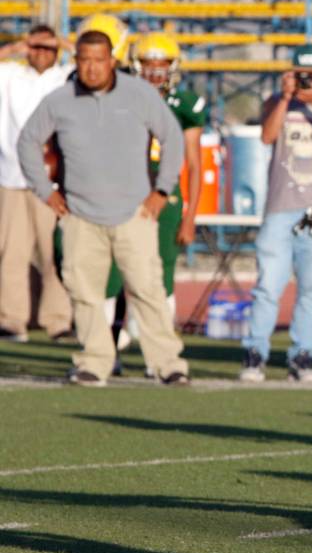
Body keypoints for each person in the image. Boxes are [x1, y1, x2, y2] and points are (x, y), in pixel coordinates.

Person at [16, 30, 189, 387]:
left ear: (112, 61)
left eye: (99, 60)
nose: (92, 68)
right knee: (85, 294)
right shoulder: (59, 100)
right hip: (80, 215)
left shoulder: (139, 94)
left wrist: (162, 189)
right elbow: (27, 142)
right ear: (76, 61)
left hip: (134, 214)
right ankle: (95, 362)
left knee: (148, 290)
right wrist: (45, 192)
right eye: (84, 60)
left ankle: (168, 364)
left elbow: (172, 137)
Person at [240, 45, 312, 384]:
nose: (308, 80)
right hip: (280, 206)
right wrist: (286, 97)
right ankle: (255, 354)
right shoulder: (277, 102)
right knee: (267, 286)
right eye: (303, 74)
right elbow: (267, 135)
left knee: (311, 288)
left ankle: (302, 357)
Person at [105, 33, 208, 375]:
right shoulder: (119, 97)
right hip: (123, 191)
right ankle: (107, 349)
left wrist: (190, 217)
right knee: (113, 273)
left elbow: (194, 164)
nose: (154, 72)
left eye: (161, 65)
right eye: (148, 65)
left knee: (161, 274)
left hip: (164, 194)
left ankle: (160, 356)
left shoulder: (184, 104)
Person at [0, 24, 73, 343]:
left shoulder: (65, 77)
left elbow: (97, 63)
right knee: (11, 253)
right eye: (36, 47)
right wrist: (18, 46)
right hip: (12, 176)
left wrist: (61, 42)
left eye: (47, 48)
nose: (41, 53)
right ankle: (11, 319)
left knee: (53, 252)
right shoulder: (11, 75)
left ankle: (58, 320)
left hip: (51, 179)